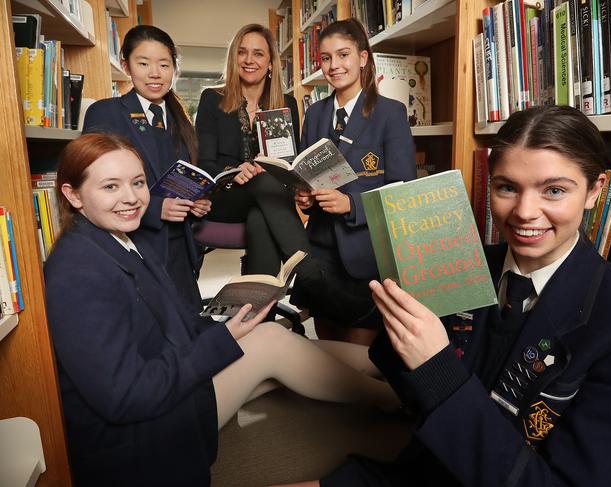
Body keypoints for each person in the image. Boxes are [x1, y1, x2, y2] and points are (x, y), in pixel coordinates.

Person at [279, 106, 611, 486]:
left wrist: (436, 367)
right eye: (507, 187)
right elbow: (409, 392)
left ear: (595, 191)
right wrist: (400, 323)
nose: (524, 212)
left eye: (554, 191)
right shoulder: (464, 265)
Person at [45, 133, 400, 487]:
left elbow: (170, 324)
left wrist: (227, 319)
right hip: (145, 431)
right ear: (72, 194)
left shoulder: (119, 241)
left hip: (169, 388)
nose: (131, 198)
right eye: (110, 187)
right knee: (271, 342)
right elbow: (126, 397)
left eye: (138, 183)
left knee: (271, 336)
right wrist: (223, 339)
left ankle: (397, 365)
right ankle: (396, 398)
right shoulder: (76, 272)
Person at [291, 18, 417, 346]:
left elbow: (403, 190)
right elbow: (306, 171)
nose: (334, 66)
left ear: (362, 58)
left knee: (358, 355)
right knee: (327, 346)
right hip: (320, 245)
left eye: (343, 55)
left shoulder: (390, 113)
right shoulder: (315, 113)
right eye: (326, 58)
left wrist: (352, 203)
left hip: (365, 248)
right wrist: (303, 196)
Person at [82, 25, 208, 311]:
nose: (155, 73)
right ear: (126, 65)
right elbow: (92, 186)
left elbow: (181, 177)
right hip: (136, 242)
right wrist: (155, 208)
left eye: (164, 65)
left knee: (188, 326)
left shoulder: (180, 121)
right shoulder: (107, 112)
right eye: (144, 63)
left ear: (174, 69)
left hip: (180, 245)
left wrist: (196, 201)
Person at [194, 24, 316, 280]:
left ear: (270, 63)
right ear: (234, 58)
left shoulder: (287, 104)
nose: (249, 60)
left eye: (258, 54)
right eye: (242, 52)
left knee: (260, 218)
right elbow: (205, 164)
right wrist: (234, 172)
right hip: (224, 197)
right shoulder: (211, 99)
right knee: (262, 182)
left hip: (268, 200)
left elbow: (289, 163)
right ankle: (309, 270)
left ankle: (257, 311)